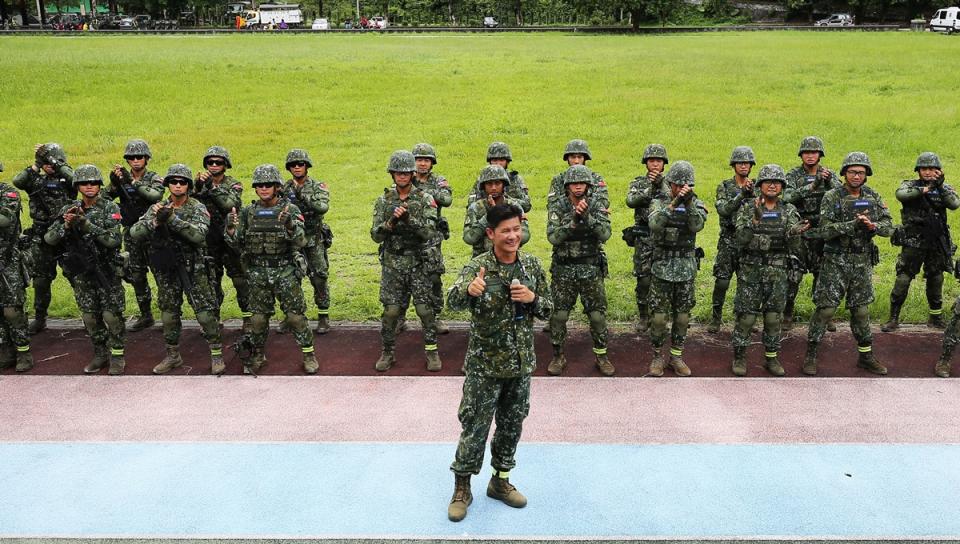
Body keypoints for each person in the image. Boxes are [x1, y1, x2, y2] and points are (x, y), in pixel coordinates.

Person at [445, 203, 552, 522]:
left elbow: (549, 309)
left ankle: (500, 481)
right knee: (475, 426)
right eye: (505, 230)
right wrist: (469, 290)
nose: (513, 235)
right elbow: (451, 302)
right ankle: (462, 487)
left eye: (517, 229)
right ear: (491, 234)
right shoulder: (478, 266)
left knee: (511, 425)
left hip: (520, 365)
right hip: (484, 366)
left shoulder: (531, 265)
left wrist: (533, 299)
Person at [802, 152, 893, 376]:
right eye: (852, 172)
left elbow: (889, 225)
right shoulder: (832, 196)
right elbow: (824, 229)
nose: (856, 176)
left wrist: (874, 227)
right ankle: (811, 355)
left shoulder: (872, 195)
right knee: (826, 309)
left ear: (866, 175)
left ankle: (866, 356)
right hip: (835, 260)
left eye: (861, 172)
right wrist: (852, 224)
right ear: (844, 173)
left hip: (861, 261)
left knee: (861, 311)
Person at [130, 164, 224, 375]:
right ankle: (173, 355)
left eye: (182, 182)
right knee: (169, 314)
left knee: (205, 314)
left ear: (189, 186)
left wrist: (172, 219)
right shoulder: (157, 207)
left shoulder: (197, 208)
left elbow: (199, 236)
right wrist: (155, 221)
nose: (178, 186)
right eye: (174, 182)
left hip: (194, 269)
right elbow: (135, 233)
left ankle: (216, 354)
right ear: (168, 185)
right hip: (167, 270)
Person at [225, 164, 318, 374]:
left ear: (276, 187)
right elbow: (235, 242)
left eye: (268, 185)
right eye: (259, 185)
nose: (264, 189)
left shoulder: (290, 210)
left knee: (295, 317)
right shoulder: (248, 212)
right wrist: (230, 228)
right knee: (258, 319)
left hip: (284, 270)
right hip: (258, 272)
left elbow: (302, 241)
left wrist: (290, 226)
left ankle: (308, 354)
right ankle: (258, 355)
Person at [44, 165, 125, 375]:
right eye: (84, 183)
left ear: (99, 185)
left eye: (93, 183)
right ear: (77, 186)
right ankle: (100, 353)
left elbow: (114, 241)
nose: (89, 187)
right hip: (81, 273)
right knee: (90, 317)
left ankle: (117, 355)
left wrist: (87, 225)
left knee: (111, 315)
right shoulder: (69, 209)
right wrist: (66, 225)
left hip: (106, 271)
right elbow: (49, 239)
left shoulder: (110, 208)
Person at [731, 165, 807, 376]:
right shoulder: (747, 206)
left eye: (776, 182)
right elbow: (741, 240)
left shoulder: (789, 210)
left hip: (777, 271)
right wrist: (754, 220)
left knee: (774, 318)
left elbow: (794, 246)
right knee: (746, 317)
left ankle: (771, 358)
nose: (772, 185)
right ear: (760, 185)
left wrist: (794, 233)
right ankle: (739, 356)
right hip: (751, 270)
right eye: (767, 182)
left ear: (782, 186)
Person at [371, 150, 441, 372]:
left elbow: (429, 233)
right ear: (392, 174)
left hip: (418, 263)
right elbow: (375, 236)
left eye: (405, 173)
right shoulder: (383, 201)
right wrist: (389, 223)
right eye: (397, 173)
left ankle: (432, 351)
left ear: (412, 174)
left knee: (425, 311)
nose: (401, 177)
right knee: (391, 312)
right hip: (393, 265)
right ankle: (388, 352)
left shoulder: (425, 199)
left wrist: (410, 220)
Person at [545, 164, 614, 376]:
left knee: (596, 316)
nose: (578, 187)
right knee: (559, 316)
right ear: (567, 186)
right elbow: (553, 237)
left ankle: (601, 355)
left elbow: (605, 234)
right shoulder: (557, 207)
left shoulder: (596, 204)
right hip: (564, 270)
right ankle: (558, 355)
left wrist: (587, 218)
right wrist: (573, 221)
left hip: (590, 268)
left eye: (582, 183)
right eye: (574, 183)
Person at [882, 152, 958, 332]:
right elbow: (901, 195)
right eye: (925, 169)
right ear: (918, 170)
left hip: (936, 242)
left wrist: (940, 187)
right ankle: (893, 318)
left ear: (939, 171)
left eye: (933, 169)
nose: (929, 172)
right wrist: (926, 189)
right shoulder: (910, 185)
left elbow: (954, 204)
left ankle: (935, 316)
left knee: (936, 277)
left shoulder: (944, 188)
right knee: (903, 278)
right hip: (913, 241)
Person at [647, 161, 707, 377]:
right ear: (670, 183)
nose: (681, 188)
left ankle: (676, 356)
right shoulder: (658, 202)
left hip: (685, 268)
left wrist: (688, 202)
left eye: (686, 184)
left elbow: (697, 226)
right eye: (677, 184)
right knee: (659, 318)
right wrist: (673, 203)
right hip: (662, 267)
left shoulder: (696, 204)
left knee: (682, 317)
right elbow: (655, 224)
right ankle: (657, 356)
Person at [12, 143, 76, 335]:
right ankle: (40, 318)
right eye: (45, 161)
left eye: (51, 161)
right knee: (41, 280)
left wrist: (54, 161)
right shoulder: (36, 180)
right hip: (41, 237)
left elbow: (74, 178)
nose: (48, 165)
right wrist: (37, 163)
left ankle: (92, 315)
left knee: (76, 276)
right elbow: (18, 181)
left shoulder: (69, 178)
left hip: (66, 236)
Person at [782, 136, 842, 330]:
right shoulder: (792, 175)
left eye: (814, 152)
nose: (810, 156)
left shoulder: (829, 174)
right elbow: (787, 197)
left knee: (822, 275)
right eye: (806, 152)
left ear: (820, 155)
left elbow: (843, 195)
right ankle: (788, 313)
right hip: (801, 231)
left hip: (822, 233)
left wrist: (828, 181)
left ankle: (823, 314)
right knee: (794, 276)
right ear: (801, 155)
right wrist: (814, 185)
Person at [106, 139, 163, 332]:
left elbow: (155, 196)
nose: (135, 160)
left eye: (139, 157)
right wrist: (114, 183)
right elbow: (105, 197)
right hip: (131, 231)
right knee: (137, 274)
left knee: (160, 272)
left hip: (153, 232)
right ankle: (145, 314)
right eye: (131, 157)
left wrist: (132, 182)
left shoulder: (154, 178)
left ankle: (169, 315)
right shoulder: (123, 179)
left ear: (146, 159)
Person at [191, 146, 249, 328]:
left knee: (240, 280)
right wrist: (198, 186)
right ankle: (215, 318)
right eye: (210, 162)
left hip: (230, 239)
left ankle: (248, 318)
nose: (214, 165)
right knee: (211, 281)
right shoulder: (196, 185)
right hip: (208, 241)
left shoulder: (233, 184)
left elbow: (229, 204)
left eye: (218, 162)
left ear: (225, 165)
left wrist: (211, 188)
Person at [281, 149, 332, 335]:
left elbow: (322, 207)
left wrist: (302, 194)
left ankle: (323, 315)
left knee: (319, 277)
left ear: (306, 166)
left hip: (313, 238)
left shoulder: (318, 187)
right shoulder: (283, 188)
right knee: (290, 279)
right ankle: (292, 315)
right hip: (292, 239)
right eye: (293, 165)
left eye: (300, 164)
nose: (297, 167)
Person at [708, 146, 756, 333]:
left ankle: (744, 318)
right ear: (734, 165)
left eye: (747, 163)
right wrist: (741, 195)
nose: (744, 166)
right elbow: (724, 209)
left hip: (748, 243)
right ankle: (716, 317)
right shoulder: (725, 186)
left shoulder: (757, 187)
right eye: (740, 163)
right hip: (728, 240)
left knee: (747, 284)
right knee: (722, 281)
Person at [625, 144, 669, 333]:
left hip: (664, 239)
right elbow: (631, 201)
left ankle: (661, 315)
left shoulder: (671, 183)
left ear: (664, 164)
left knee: (664, 279)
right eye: (651, 161)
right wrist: (650, 188)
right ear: (646, 163)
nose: (655, 164)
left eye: (658, 161)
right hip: (643, 238)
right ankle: (643, 315)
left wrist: (661, 184)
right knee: (643, 280)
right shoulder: (638, 182)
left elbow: (673, 199)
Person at [410, 142, 452, 335]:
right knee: (404, 277)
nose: (422, 164)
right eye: (419, 160)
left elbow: (446, 199)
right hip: (408, 236)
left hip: (431, 237)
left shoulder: (438, 180)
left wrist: (422, 192)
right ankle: (400, 316)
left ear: (432, 162)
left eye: (426, 160)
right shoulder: (405, 178)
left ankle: (436, 315)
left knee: (434, 276)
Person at [0, 162, 33, 372]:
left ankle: (24, 352)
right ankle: (6, 348)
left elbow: (4, 219)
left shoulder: (8, 194)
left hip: (7, 260)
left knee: (12, 310)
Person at [463, 165, 529, 258]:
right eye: (489, 184)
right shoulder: (476, 208)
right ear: (484, 186)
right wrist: (488, 216)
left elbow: (525, 236)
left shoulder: (514, 206)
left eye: (497, 183)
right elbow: (469, 238)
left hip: (510, 259)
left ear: (503, 185)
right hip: (481, 260)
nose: (493, 188)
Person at [467, 142, 531, 212]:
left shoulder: (515, 179)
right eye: (495, 160)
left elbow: (526, 206)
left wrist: (504, 200)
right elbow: (471, 205)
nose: (498, 163)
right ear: (490, 161)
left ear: (507, 162)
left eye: (501, 160)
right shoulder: (482, 180)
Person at [547, 139, 609, 209]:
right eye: (573, 157)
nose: (576, 161)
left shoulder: (596, 179)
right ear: (568, 159)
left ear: (585, 159)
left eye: (579, 157)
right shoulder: (558, 180)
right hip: (565, 216)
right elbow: (552, 205)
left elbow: (604, 203)